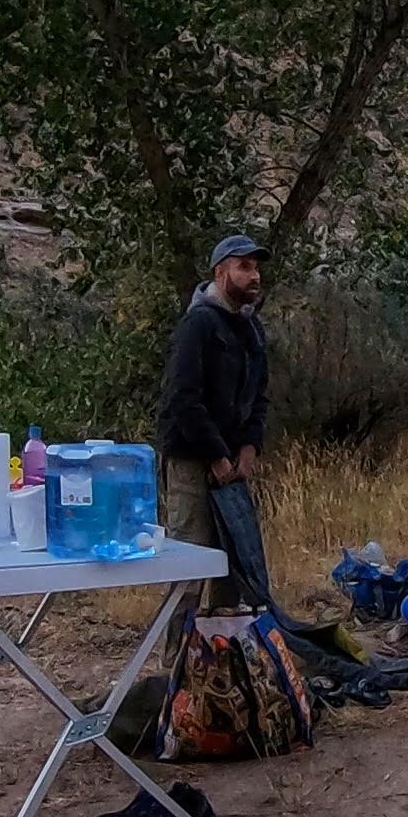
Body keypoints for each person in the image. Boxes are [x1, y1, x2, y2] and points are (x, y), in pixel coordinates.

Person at [158, 234, 271, 658]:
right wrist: (216, 454)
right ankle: (175, 665)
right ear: (220, 271)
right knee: (188, 565)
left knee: (233, 568)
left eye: (256, 268)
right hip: (191, 461)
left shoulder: (252, 327)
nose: (253, 275)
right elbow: (182, 400)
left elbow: (259, 396)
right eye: (244, 267)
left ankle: (224, 661)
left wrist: (249, 448)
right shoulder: (199, 323)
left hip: (232, 466)